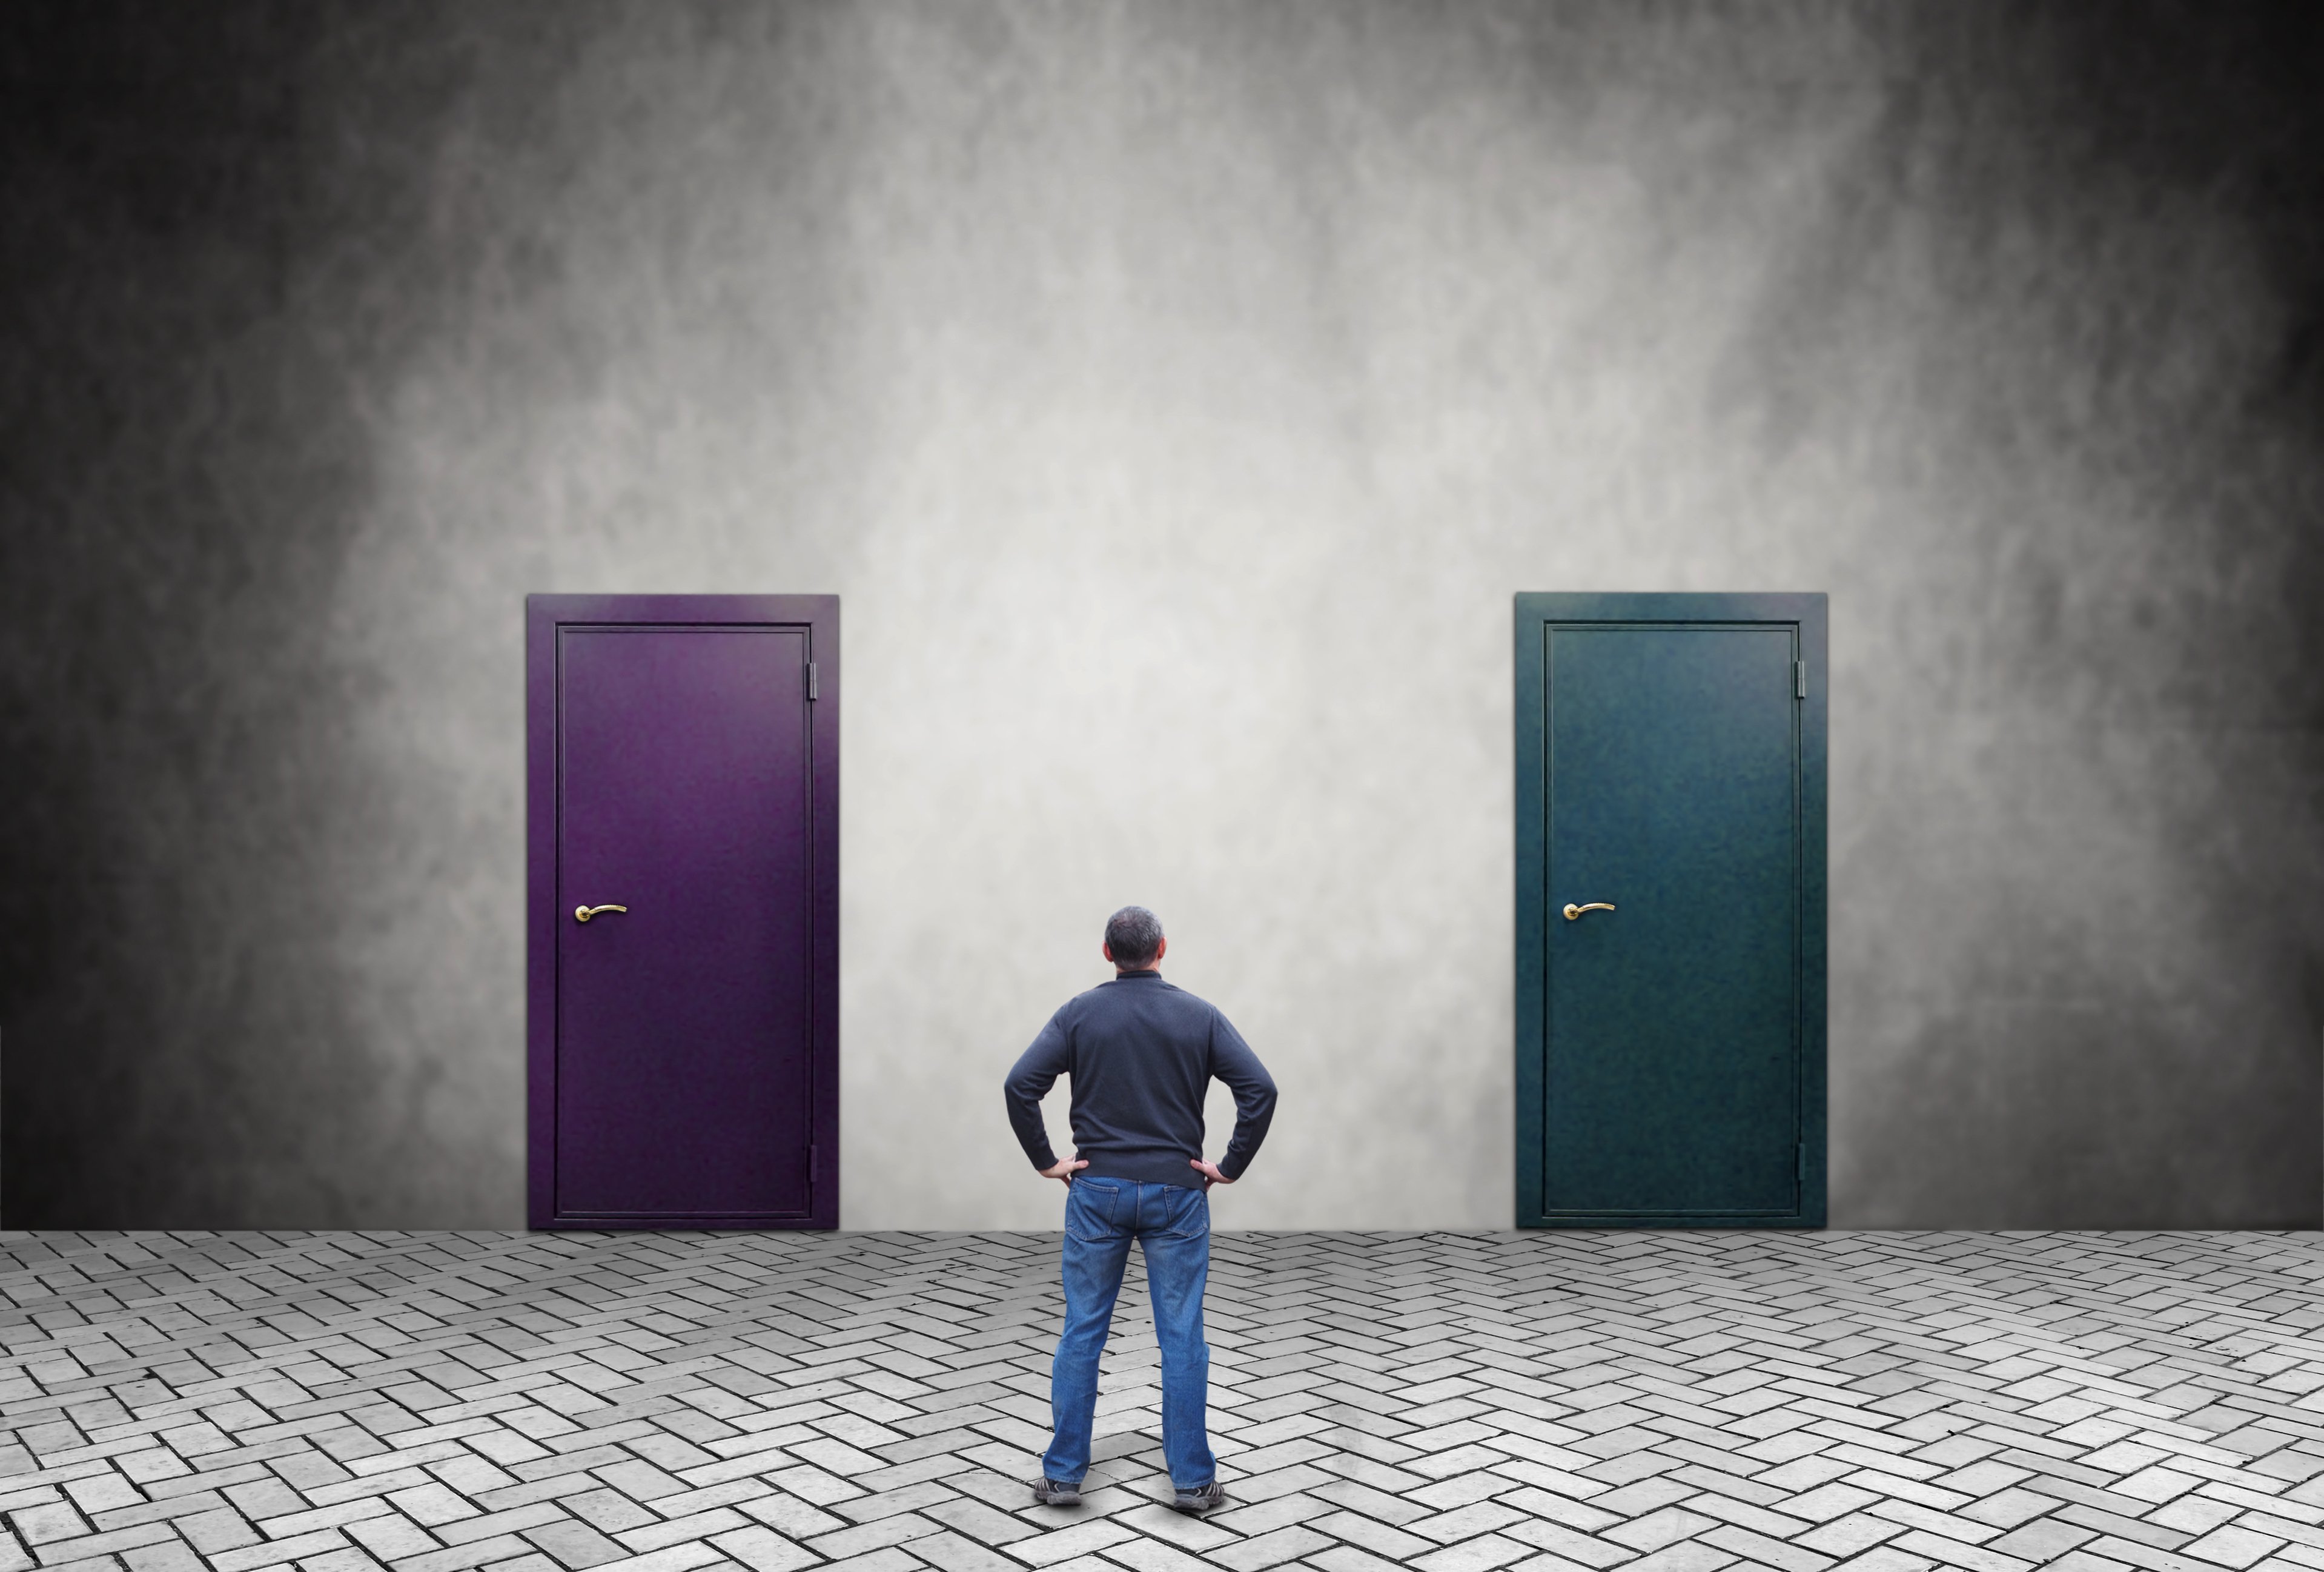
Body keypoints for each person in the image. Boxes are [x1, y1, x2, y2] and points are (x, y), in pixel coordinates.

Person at [1002, 905, 1277, 1514]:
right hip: (1178, 1194)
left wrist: (1047, 1161)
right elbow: (1260, 1089)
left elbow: (1020, 1085)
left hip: (1096, 1191)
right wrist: (1229, 1166)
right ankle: (1193, 1483)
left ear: (1107, 952)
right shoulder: (1199, 1016)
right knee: (1182, 1335)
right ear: (1163, 948)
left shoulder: (1078, 1014)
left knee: (1082, 1329)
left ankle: (1063, 1476)